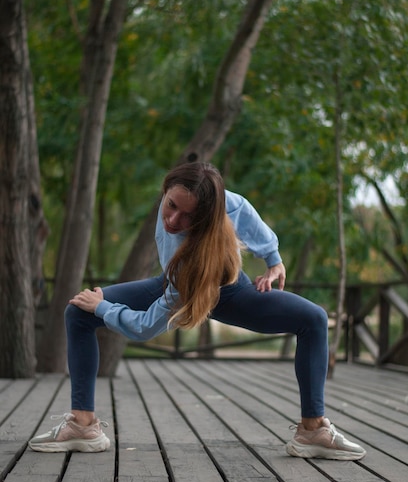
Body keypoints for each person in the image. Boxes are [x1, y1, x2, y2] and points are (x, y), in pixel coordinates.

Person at [29, 161, 366, 460]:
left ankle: (313, 430)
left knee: (314, 319)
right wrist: (272, 256)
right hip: (174, 281)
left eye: (188, 215)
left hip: (228, 292)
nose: (174, 219)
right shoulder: (194, 213)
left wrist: (103, 306)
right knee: (78, 312)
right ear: (166, 192)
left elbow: (144, 328)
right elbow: (241, 208)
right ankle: (83, 426)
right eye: (171, 205)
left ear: (207, 215)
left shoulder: (194, 253)